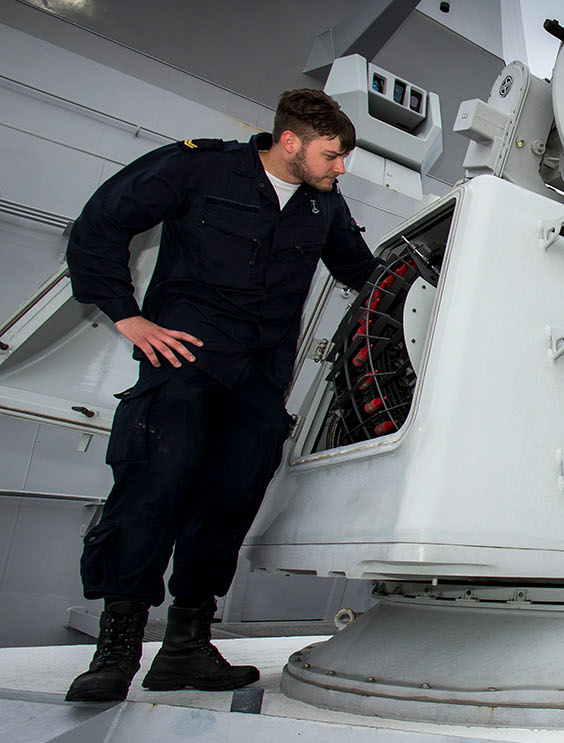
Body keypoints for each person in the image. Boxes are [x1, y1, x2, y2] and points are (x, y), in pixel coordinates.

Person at [62, 89, 380, 702]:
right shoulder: (199, 167)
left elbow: (358, 269)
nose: (340, 169)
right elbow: (102, 221)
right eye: (333, 156)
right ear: (291, 141)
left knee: (229, 505)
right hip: (185, 366)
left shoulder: (323, 205)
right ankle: (117, 649)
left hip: (258, 381)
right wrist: (128, 317)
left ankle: (185, 648)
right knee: (152, 490)